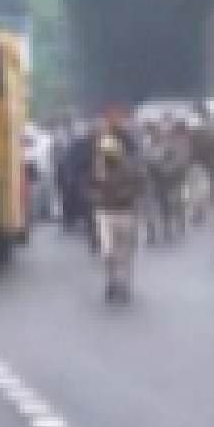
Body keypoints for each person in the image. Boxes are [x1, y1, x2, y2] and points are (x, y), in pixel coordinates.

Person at [89, 128, 144, 302]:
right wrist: (94, 195)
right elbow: (89, 186)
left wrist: (127, 196)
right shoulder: (98, 168)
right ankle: (112, 281)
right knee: (108, 251)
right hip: (105, 212)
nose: (105, 156)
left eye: (107, 153)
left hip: (125, 212)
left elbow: (140, 185)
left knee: (125, 252)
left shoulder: (130, 168)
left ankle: (125, 284)